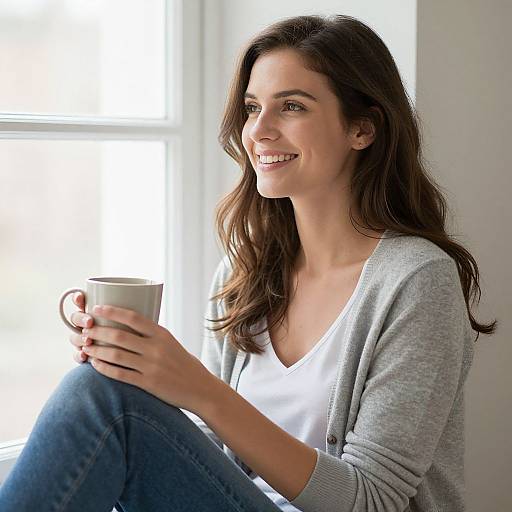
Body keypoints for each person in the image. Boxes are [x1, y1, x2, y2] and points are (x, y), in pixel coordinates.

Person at [0, 13, 497, 512]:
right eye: (253, 107)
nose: (258, 130)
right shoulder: (247, 268)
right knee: (103, 385)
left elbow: (371, 499)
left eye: (292, 107)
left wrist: (201, 390)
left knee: (101, 401)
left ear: (362, 129)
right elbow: (203, 459)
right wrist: (139, 369)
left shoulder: (416, 281)